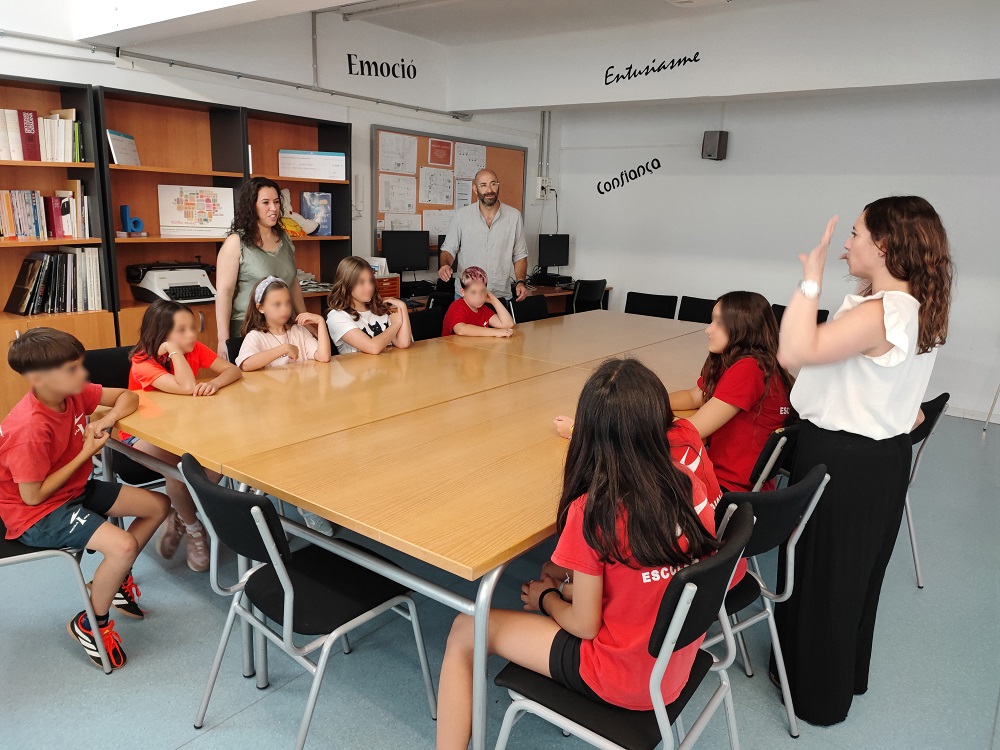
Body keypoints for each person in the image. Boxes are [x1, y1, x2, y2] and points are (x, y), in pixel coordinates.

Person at [436, 359, 720, 749]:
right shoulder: (688, 485)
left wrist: (547, 598)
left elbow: (585, 626)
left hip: (623, 677)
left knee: (464, 630)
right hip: (673, 663)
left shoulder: (595, 509)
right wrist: (567, 586)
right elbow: (643, 579)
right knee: (558, 577)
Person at [773, 196, 954, 726]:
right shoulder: (911, 305)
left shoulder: (882, 312)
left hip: (846, 461)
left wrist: (810, 280)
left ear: (883, 244)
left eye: (854, 235)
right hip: (877, 460)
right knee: (852, 577)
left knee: (827, 577)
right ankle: (838, 678)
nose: (845, 245)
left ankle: (816, 699)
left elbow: (792, 352)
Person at [0, 329, 170, 669]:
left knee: (158, 506)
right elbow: (31, 497)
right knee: (122, 546)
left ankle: (113, 581)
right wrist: (84, 454)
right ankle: (91, 622)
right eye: (73, 369)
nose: (83, 375)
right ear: (38, 379)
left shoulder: (71, 393)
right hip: (38, 515)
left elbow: (128, 396)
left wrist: (105, 420)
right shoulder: (29, 429)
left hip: (72, 491)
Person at [122, 299, 242, 572]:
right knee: (182, 468)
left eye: (192, 328)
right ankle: (194, 528)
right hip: (140, 437)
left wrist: (213, 382)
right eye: (182, 330)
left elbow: (233, 370)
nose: (192, 335)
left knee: (212, 467)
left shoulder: (194, 348)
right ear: (162, 335)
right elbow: (186, 386)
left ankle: (179, 513)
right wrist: (175, 352)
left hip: (184, 430)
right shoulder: (142, 362)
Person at [668, 291, 794, 491]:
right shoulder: (743, 361)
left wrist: (644, 413)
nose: (708, 330)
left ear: (742, 328)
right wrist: (655, 401)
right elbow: (695, 396)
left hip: (730, 488)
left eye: (718, 323)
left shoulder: (749, 369)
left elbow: (692, 431)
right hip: (732, 479)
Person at [216, 176, 309, 359]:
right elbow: (224, 292)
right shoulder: (236, 242)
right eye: (265, 202)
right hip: (247, 328)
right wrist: (222, 340)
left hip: (281, 327)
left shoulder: (285, 238)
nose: (273, 208)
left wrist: (304, 320)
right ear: (252, 206)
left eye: (276, 202)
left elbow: (293, 282)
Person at [438, 168, 529, 302]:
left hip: (499, 296)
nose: (489, 190)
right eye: (483, 185)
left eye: (493, 184)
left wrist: (521, 282)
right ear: (475, 189)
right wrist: (445, 265)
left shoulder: (514, 216)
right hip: (467, 296)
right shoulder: (461, 216)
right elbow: (449, 249)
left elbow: (520, 255)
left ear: (498, 186)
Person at [236, 276, 331, 371]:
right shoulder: (255, 336)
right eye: (277, 304)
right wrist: (284, 349)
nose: (285, 309)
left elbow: (324, 357)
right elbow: (246, 365)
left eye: (288, 302)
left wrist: (320, 321)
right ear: (261, 308)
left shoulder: (299, 331)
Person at [326, 256, 412, 355]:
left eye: (371, 281)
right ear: (346, 284)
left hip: (386, 368)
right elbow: (373, 348)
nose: (369, 287)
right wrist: (396, 325)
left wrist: (403, 307)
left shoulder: (379, 309)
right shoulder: (336, 316)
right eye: (361, 282)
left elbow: (403, 343)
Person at [441, 266, 515, 338]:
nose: (479, 297)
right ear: (463, 292)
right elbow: (460, 329)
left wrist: (493, 299)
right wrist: (495, 332)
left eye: (482, 291)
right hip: (453, 349)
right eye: (473, 292)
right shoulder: (457, 307)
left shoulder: (482, 309)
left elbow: (508, 324)